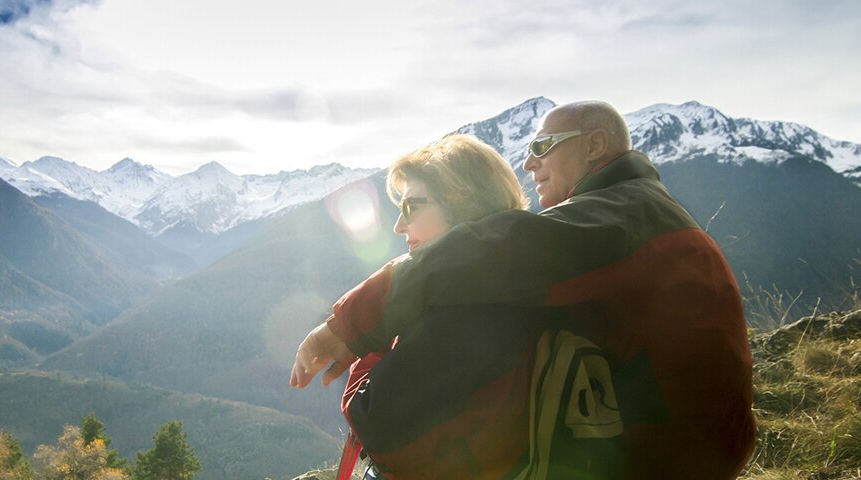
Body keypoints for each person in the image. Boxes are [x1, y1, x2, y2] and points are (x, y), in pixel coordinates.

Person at [295, 100, 757, 479]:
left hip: (661, 458)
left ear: (595, 145)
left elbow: (486, 250)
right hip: (694, 450)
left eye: (541, 146)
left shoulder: (614, 220)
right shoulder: (639, 210)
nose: (528, 161)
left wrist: (353, 333)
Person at [291, 133, 536, 478]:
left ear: (462, 204)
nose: (398, 225)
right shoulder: (509, 280)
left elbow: (376, 422)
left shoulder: (463, 307)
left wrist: (370, 351)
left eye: (410, 208)